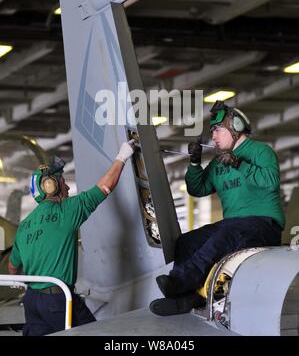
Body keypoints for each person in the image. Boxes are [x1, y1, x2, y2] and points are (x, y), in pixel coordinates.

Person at [150, 100, 285, 316]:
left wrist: (239, 164)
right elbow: (198, 188)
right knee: (187, 242)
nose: (213, 136)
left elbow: (270, 181)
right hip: (233, 224)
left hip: (263, 224)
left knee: (224, 235)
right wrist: (195, 163)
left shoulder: (261, 151)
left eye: (217, 130)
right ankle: (186, 299)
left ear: (236, 127)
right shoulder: (219, 162)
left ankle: (180, 282)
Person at [8, 140, 135, 336]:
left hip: (32, 301)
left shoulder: (24, 225)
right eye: (62, 181)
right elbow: (104, 187)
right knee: (95, 334)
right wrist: (122, 157)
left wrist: (20, 281)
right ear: (51, 186)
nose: (67, 187)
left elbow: (12, 267)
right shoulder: (67, 211)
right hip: (58, 300)